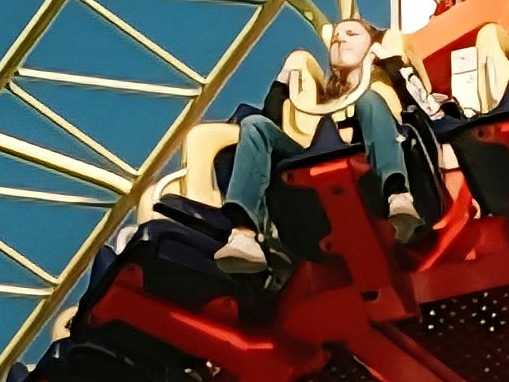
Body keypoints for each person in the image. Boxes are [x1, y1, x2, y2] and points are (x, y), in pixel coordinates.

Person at [175, 16, 431, 281]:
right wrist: (283, 80)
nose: (340, 40)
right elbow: (272, 120)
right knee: (254, 125)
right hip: (311, 173)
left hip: (373, 175)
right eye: (336, 37)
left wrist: (391, 61)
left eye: (352, 34)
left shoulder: (382, 86)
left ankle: (398, 197)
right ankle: (244, 236)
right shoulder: (316, 101)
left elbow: (421, 105)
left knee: (369, 100)